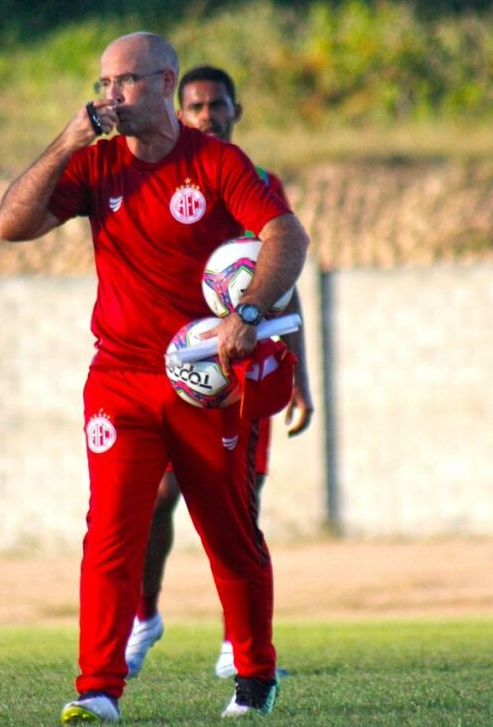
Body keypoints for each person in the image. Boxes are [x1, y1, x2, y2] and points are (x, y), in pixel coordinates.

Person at [0, 32, 310, 722]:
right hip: (119, 378)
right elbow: (10, 225)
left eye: (127, 82)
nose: (112, 97)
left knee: (228, 531)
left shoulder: (217, 163)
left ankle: (254, 675)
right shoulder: (95, 164)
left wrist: (248, 308)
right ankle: (98, 688)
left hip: (202, 379)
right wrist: (67, 140)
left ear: (164, 82)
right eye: (105, 84)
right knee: (110, 531)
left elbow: (288, 237)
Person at [125, 65, 316, 682]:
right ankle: (144, 616)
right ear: (181, 113)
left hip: (247, 365)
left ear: (238, 109)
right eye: (196, 107)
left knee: (241, 506)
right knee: (156, 500)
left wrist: (301, 379)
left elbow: (286, 283)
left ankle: (240, 645)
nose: (207, 115)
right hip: (182, 362)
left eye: (217, 105)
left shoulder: (260, 184)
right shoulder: (168, 177)